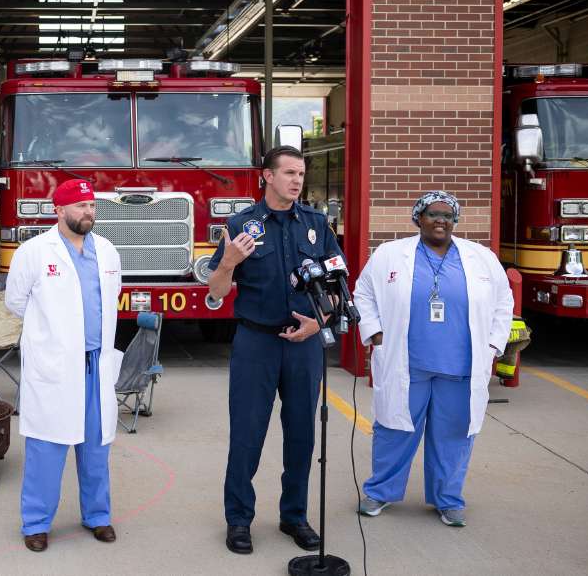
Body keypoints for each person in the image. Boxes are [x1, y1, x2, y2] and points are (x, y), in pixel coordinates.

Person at [206, 145, 343, 555]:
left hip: (304, 345)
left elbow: (339, 287)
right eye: (288, 173)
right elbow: (215, 292)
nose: (297, 180)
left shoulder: (318, 225)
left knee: (302, 434)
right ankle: (238, 520)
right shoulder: (242, 225)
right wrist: (228, 262)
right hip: (256, 343)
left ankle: (295, 517)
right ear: (267, 176)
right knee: (247, 435)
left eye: (300, 173)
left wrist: (319, 322)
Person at [351, 191, 513, 527]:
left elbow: (503, 301)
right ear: (418, 218)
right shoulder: (390, 254)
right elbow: (363, 292)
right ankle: (380, 492)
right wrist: (374, 331)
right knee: (394, 429)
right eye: (433, 214)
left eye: (448, 215)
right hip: (407, 363)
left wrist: (494, 344)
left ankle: (448, 499)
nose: (441, 220)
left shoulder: (480, 257)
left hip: (461, 366)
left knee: (454, 433)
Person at [5, 178, 124, 552]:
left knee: (95, 447)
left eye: (91, 206)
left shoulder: (106, 251)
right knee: (47, 447)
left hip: (95, 364)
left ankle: (98, 516)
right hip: (56, 367)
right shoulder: (35, 252)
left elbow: (112, 297)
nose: (88, 212)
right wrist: (53, 335)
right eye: (80, 206)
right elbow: (15, 302)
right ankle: (36, 523)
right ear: (59, 210)